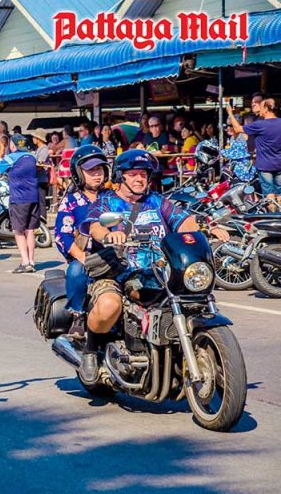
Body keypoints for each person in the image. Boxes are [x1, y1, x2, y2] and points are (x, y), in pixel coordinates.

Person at [79, 150, 230, 383]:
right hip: (118, 271)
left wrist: (206, 230)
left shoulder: (157, 201)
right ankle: (90, 351)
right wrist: (109, 235)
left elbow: (184, 221)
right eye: (133, 174)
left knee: (194, 296)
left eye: (143, 174)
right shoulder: (106, 201)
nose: (140, 179)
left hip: (161, 270)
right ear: (120, 176)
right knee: (109, 305)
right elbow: (95, 226)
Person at [54, 146, 110, 336]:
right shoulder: (71, 201)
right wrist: (81, 257)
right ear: (79, 173)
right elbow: (62, 235)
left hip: (114, 252)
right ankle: (77, 314)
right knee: (76, 272)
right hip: (86, 255)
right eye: (91, 170)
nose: (97, 174)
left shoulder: (112, 197)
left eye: (99, 169)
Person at [0, 134, 41, 273]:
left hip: (18, 198)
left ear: (13, 145)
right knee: (30, 230)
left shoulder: (11, 157)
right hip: (33, 197)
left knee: (18, 231)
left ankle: (25, 262)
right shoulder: (32, 157)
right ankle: (31, 261)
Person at [228, 98, 281, 202]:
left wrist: (230, 113)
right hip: (279, 164)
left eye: (261, 107)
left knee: (269, 196)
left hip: (265, 166)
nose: (259, 110)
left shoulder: (259, 125)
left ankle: (272, 212)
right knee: (280, 194)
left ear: (266, 108)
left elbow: (237, 129)